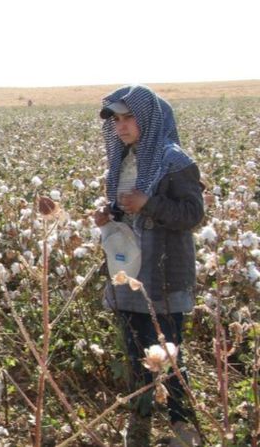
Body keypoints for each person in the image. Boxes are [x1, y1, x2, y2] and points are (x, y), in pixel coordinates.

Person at [93, 85, 203, 446]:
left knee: (168, 358)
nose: (122, 127)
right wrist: (109, 216)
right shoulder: (123, 160)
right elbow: (127, 208)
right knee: (136, 356)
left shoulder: (176, 161)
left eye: (129, 118)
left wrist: (148, 204)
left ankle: (183, 430)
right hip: (128, 272)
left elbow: (192, 214)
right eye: (117, 120)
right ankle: (138, 428)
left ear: (149, 119)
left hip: (164, 276)